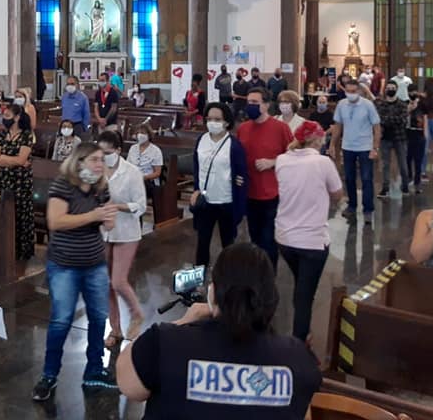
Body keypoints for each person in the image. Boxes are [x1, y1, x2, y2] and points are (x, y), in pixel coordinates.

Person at [117, 243, 322, 418]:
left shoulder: (164, 343)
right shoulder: (299, 359)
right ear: (270, 297)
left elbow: (127, 383)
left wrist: (184, 321)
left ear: (213, 292)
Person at [33, 143, 119, 402]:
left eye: (101, 160)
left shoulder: (101, 188)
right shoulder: (62, 186)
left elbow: (109, 222)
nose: (99, 165)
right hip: (64, 265)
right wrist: (93, 215)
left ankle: (94, 370)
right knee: (61, 320)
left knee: (98, 318)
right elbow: (56, 222)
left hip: (94, 263)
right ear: (79, 162)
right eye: (94, 159)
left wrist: (108, 217)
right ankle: (49, 375)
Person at [275, 122, 343, 341]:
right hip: (312, 241)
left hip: (285, 238)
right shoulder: (323, 162)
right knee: (305, 294)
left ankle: (300, 329)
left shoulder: (282, 160)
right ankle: (299, 341)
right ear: (318, 139)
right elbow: (337, 193)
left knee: (301, 285)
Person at [99, 131, 146, 348]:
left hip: (126, 231)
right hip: (103, 230)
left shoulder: (132, 173)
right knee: (106, 284)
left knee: (118, 280)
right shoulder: (97, 170)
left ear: (118, 150)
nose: (104, 156)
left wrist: (117, 206)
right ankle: (115, 329)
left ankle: (136, 313)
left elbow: (140, 205)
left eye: (108, 152)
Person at [235, 88, 291, 267]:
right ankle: (258, 273)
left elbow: (293, 156)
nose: (250, 106)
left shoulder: (280, 128)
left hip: (271, 193)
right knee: (255, 238)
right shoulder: (243, 128)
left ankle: (269, 275)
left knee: (268, 240)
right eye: (248, 102)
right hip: (249, 192)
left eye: (255, 103)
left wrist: (273, 162)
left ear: (266, 105)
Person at [191, 103, 248, 269]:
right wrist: (196, 189)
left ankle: (227, 276)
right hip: (205, 200)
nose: (212, 123)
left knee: (228, 244)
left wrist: (239, 184)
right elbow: (197, 168)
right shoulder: (201, 140)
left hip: (225, 200)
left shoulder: (233, 145)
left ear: (226, 122)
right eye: (209, 119)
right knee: (202, 242)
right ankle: (199, 276)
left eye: (217, 119)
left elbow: (241, 173)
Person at [330, 78, 381, 225]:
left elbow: (376, 127)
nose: (350, 94)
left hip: (365, 147)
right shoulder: (341, 104)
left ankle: (368, 210)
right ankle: (352, 206)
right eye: (348, 91)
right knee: (349, 178)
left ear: (358, 91)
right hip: (348, 146)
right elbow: (338, 126)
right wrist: (332, 144)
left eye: (353, 91)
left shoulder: (368, 105)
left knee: (366, 179)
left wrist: (375, 147)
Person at [0, 103, 36, 262]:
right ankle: (5, 248)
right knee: (4, 214)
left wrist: (5, 158)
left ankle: (20, 251)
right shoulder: (2, 135)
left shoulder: (26, 135)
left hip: (21, 182)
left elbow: (22, 160)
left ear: (17, 118)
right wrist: (12, 160)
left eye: (8, 116)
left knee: (20, 214)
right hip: (4, 180)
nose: (5, 119)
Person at [375, 80, 411, 198]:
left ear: (396, 89)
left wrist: (388, 119)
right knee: (385, 164)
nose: (390, 90)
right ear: (385, 90)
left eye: (392, 88)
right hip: (385, 138)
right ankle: (385, 188)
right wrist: (393, 119)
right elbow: (380, 119)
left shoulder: (402, 104)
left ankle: (405, 186)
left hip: (399, 138)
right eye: (388, 88)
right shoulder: (381, 104)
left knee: (403, 164)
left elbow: (403, 120)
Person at [127, 122, 163, 189]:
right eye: (138, 133)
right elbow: (127, 166)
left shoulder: (156, 151)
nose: (140, 135)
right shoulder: (133, 148)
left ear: (148, 135)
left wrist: (144, 177)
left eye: (142, 133)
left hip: (148, 181)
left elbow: (157, 173)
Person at [406, 92, 427, 194]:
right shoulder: (406, 104)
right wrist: (409, 109)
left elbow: (425, 120)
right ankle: (409, 177)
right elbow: (403, 118)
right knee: (407, 158)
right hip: (408, 134)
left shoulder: (422, 106)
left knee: (418, 160)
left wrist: (425, 135)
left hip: (419, 134)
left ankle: (417, 182)